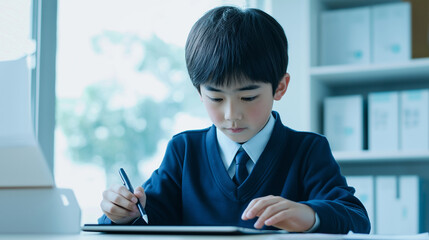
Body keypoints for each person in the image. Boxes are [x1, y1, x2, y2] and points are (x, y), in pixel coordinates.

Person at [98, 6, 370, 234]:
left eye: (248, 97)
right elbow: (146, 222)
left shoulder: (308, 150)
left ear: (280, 87)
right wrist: (123, 213)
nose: (231, 115)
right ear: (199, 93)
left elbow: (357, 220)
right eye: (216, 98)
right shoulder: (183, 151)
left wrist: (310, 215)